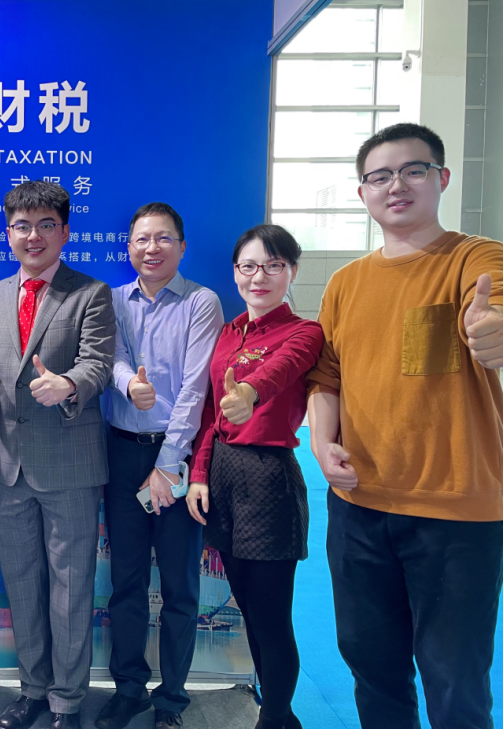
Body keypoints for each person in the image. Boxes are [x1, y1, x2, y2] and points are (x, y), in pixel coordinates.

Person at [307, 122, 503, 729]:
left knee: (455, 679)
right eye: (380, 176)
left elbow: (494, 308)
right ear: (362, 192)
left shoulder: (476, 258)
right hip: (358, 506)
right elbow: (326, 377)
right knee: (371, 667)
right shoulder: (346, 283)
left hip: (455, 510)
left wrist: (493, 332)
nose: (396, 185)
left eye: (413, 170)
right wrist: (321, 443)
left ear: (442, 178)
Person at [0, 180, 115, 729]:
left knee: (71, 590)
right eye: (22, 226)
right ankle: (33, 690)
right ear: (8, 233)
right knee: (21, 584)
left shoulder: (90, 293)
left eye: (46, 225)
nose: (33, 236)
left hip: (69, 464)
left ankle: (67, 701)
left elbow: (98, 362)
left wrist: (68, 384)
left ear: (65, 232)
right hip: (7, 466)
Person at [186, 225, 322, 729]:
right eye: (248, 266)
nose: (258, 277)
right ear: (235, 272)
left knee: (271, 618)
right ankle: (282, 717)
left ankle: (274, 717)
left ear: (291, 272)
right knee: (246, 609)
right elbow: (208, 413)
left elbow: (280, 370)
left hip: (268, 479)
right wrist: (199, 474)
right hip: (222, 475)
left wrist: (248, 393)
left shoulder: (305, 332)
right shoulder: (227, 333)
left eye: (272, 266)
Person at [99, 203, 223, 729]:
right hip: (122, 451)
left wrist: (169, 464)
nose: (152, 248)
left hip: (179, 455)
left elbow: (196, 389)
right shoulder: (111, 299)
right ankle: (128, 689)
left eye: (164, 238)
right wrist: (129, 383)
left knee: (179, 586)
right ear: (128, 246)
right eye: (142, 239)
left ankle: (171, 699)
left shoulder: (201, 302)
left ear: (182, 246)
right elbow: (110, 355)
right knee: (125, 582)